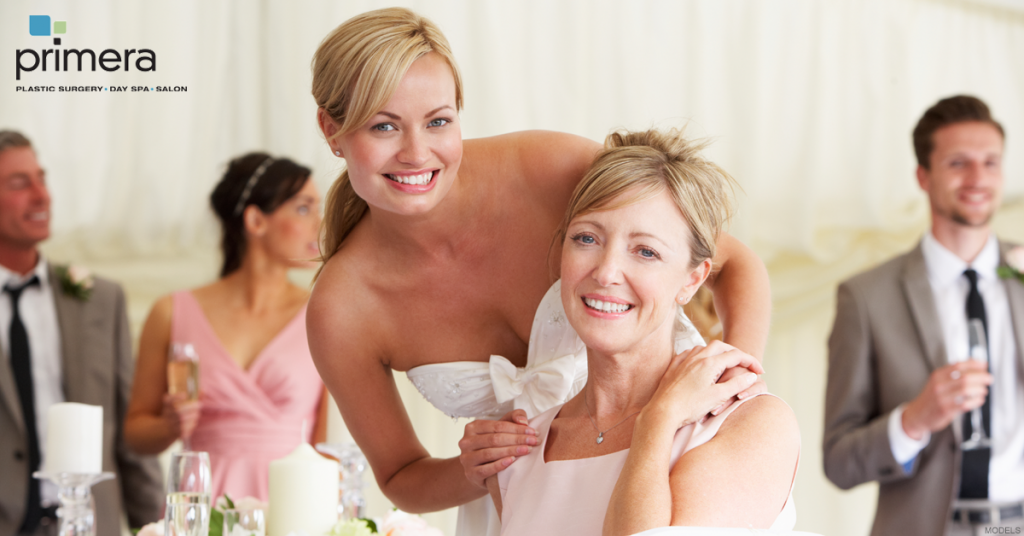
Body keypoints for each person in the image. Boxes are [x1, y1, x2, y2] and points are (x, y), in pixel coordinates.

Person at [306, 9, 773, 536]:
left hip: (675, 449)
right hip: (518, 507)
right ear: (332, 130)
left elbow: (730, 263)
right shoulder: (342, 308)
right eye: (384, 126)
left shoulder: (545, 170)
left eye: (438, 121)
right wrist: (473, 468)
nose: (417, 153)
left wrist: (734, 389)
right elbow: (399, 475)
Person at [486, 129, 799, 535]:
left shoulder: (750, 424)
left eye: (646, 251)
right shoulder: (518, 457)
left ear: (692, 280)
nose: (606, 271)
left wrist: (656, 422)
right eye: (586, 238)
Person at [824, 95, 1024, 535]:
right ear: (923, 175)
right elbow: (838, 462)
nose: (978, 178)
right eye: (958, 163)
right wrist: (913, 420)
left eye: (991, 163)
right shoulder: (865, 298)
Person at [124, 152, 328, 502]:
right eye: (304, 208)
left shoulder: (323, 315)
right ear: (256, 220)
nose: (320, 224)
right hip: (198, 510)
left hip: (291, 510)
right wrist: (168, 426)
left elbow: (326, 448)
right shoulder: (170, 313)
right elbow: (135, 434)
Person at [0, 130, 163, 536]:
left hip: (89, 524)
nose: (42, 196)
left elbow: (128, 434)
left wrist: (158, 525)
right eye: (19, 184)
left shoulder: (100, 300)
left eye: (42, 178)